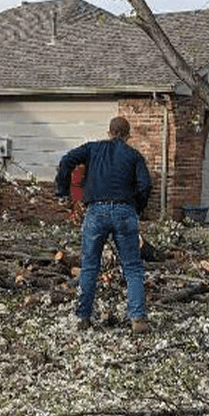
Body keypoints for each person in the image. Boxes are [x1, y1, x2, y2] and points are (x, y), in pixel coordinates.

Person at [55, 116, 152, 333]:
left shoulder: (92, 149)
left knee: (89, 266)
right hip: (124, 210)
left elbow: (66, 160)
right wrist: (137, 207)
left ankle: (83, 317)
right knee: (133, 267)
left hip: (95, 211)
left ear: (109, 132)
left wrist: (63, 191)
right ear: (128, 135)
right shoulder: (134, 155)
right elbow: (145, 185)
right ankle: (138, 318)